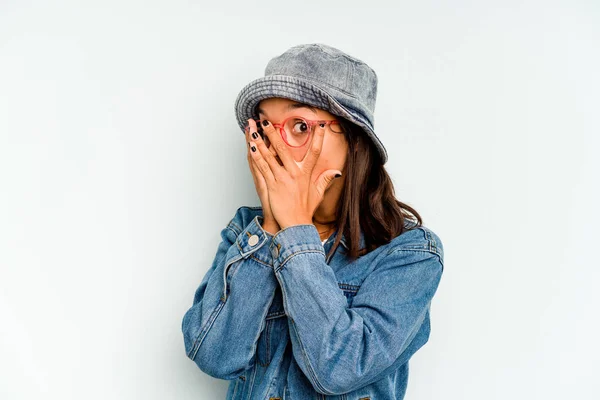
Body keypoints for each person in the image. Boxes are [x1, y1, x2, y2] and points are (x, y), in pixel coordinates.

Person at [181, 43, 444, 399]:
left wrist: (295, 234)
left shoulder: (411, 253)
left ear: (354, 139)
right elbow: (214, 355)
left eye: (300, 125)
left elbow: (339, 368)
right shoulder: (247, 232)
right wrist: (273, 226)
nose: (276, 147)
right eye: (263, 128)